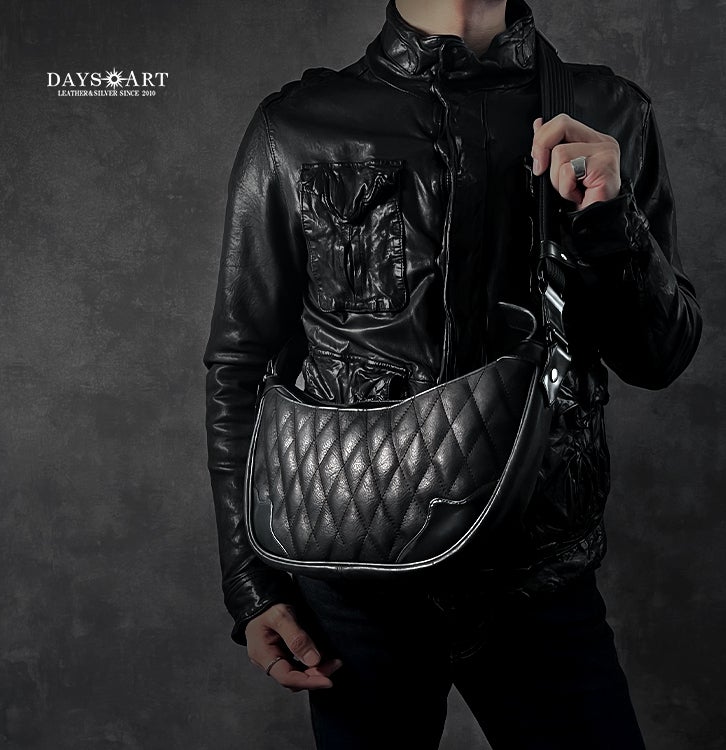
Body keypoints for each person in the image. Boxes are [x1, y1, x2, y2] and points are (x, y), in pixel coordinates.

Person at [202, 0, 702, 746]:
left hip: (536, 573)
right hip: (354, 574)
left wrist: (610, 220)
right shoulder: (299, 127)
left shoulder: (607, 112)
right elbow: (241, 364)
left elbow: (660, 357)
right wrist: (252, 582)